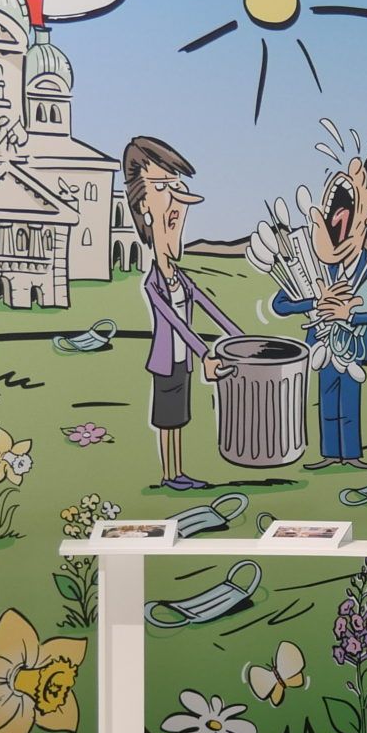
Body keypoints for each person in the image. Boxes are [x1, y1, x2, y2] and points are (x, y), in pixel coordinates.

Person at [272, 154, 367, 469]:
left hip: (353, 350)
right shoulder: (313, 265)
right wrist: (315, 303)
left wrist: (350, 314)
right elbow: (279, 304)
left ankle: (352, 455)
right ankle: (330, 454)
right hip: (321, 348)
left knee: (349, 400)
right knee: (327, 399)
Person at [128, 136, 238, 492]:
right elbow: (175, 322)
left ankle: (178, 472)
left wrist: (240, 337)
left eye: (176, 186)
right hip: (165, 362)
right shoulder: (153, 282)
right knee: (167, 421)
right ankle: (170, 474)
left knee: (180, 418)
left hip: (182, 362)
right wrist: (206, 353)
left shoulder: (180, 276)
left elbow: (208, 306)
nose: (176, 201)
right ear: (143, 205)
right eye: (162, 187)